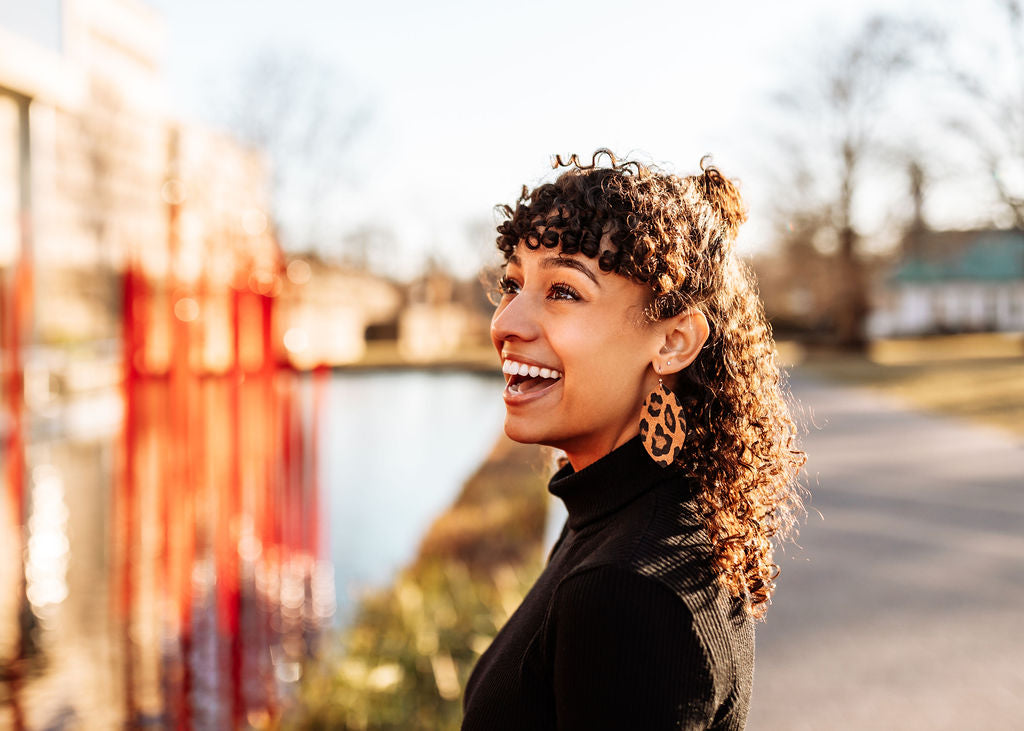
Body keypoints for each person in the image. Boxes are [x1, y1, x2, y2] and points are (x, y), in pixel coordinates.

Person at [461, 150, 806, 730]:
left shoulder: (628, 590)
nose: (505, 323)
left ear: (673, 341)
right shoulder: (608, 514)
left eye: (564, 291)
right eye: (513, 284)